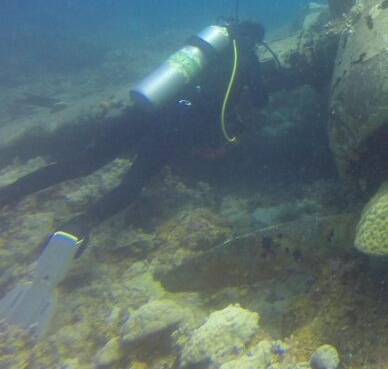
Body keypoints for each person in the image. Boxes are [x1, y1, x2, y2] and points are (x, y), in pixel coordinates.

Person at [0, 20, 268, 333]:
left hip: (147, 106)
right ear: (254, 40)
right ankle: (79, 226)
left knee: (83, 161)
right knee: (131, 185)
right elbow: (260, 100)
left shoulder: (202, 49)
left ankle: (9, 193)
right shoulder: (245, 56)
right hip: (175, 126)